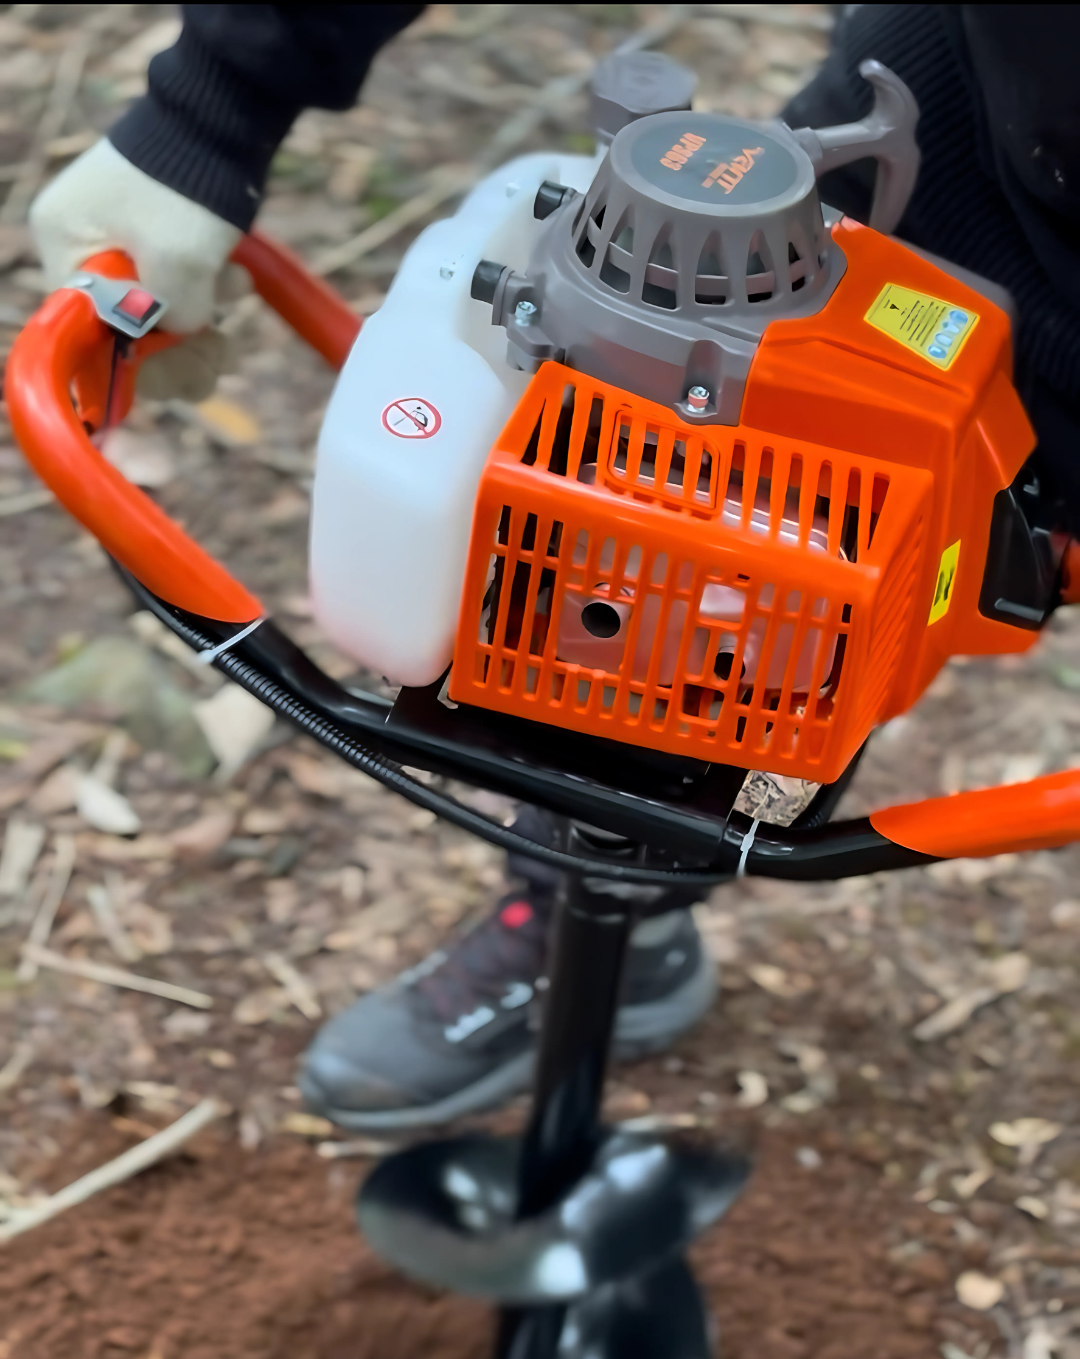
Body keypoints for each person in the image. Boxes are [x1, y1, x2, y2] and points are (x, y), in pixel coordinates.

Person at [31, 4, 1080, 1130]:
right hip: (939, 162)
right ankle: (587, 909)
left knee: (809, 613)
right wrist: (205, 114)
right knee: (637, 632)